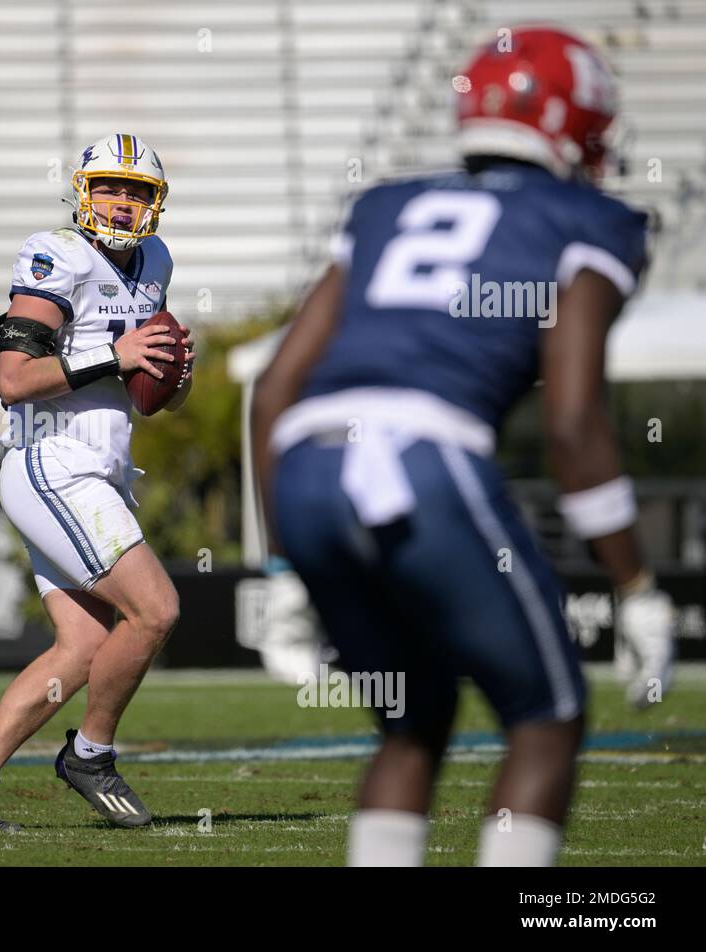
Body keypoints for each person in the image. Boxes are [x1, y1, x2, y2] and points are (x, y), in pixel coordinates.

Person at [251, 28, 675, 866]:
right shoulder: (590, 217)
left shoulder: (382, 205)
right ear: (574, 120)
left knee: (413, 722)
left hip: (304, 457)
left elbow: (272, 391)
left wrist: (282, 564)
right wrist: (634, 582)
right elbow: (573, 419)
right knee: (547, 716)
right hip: (421, 454)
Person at [0, 134, 195, 830]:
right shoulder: (58, 254)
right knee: (157, 610)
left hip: (100, 466)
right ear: (82, 190)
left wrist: (170, 378)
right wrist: (116, 353)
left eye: (137, 191)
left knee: (80, 647)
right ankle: (91, 754)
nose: (123, 201)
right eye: (110, 186)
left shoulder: (156, 261)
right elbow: (12, 382)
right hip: (52, 462)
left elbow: (142, 394)